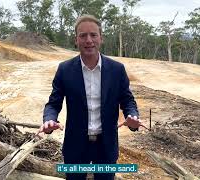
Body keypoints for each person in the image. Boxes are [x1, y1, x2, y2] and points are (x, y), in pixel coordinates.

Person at [37, 14, 141, 180]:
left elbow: (128, 100)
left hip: (106, 146)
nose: (88, 40)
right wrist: (49, 119)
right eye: (83, 35)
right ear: (76, 40)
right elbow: (53, 103)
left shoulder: (117, 70)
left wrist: (133, 116)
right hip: (75, 145)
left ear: (101, 38)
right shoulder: (64, 70)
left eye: (93, 35)